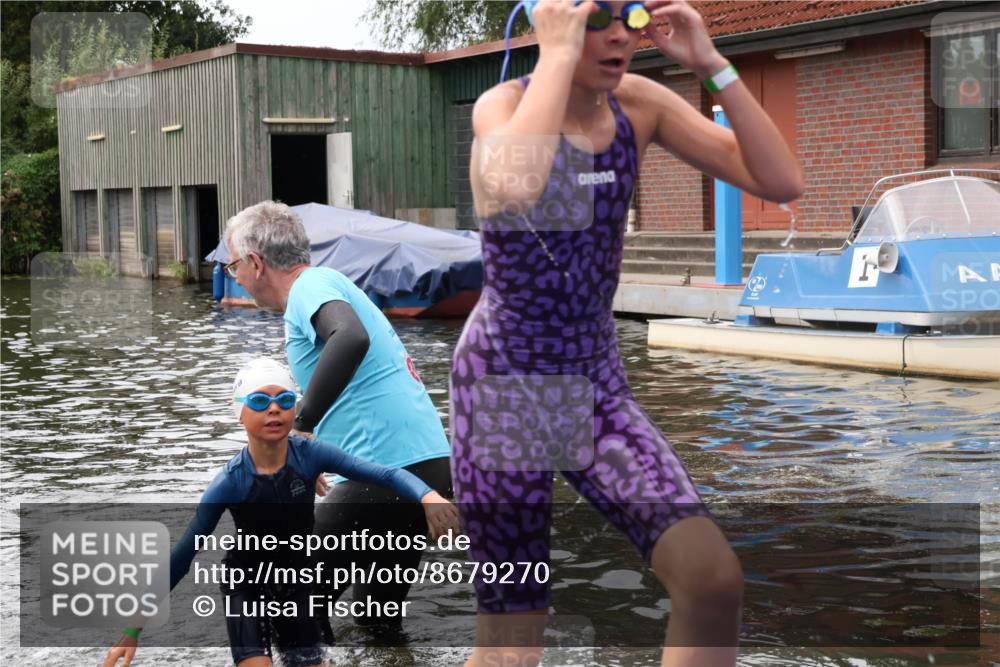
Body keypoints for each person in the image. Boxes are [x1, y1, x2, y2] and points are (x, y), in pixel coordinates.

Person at [451, 1, 805, 666]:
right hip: (503, 390)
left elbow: (782, 181)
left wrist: (712, 65)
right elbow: (516, 184)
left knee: (711, 578)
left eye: (631, 15)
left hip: (595, 388)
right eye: (597, 16)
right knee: (512, 638)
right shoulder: (501, 108)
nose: (620, 35)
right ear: (552, 19)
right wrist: (555, 54)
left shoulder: (639, 105)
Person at [102, 357, 459, 667]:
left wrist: (427, 495)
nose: (273, 409)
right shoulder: (230, 482)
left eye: (284, 400)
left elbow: (385, 473)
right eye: (260, 401)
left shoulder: (310, 455)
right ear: (239, 412)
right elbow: (181, 558)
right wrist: (132, 630)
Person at [222, 202, 453, 625]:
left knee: (288, 613)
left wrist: (302, 430)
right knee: (375, 622)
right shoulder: (331, 285)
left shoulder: (310, 286)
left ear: (256, 263)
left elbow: (350, 338)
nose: (233, 276)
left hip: (383, 471)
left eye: (233, 264)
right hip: (428, 468)